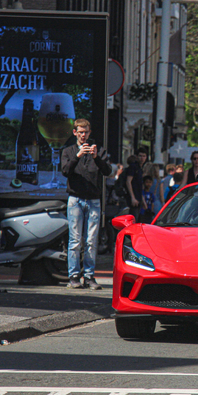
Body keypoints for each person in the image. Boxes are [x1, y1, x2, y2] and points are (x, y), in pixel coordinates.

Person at [60, 119, 111, 290]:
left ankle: (89, 276)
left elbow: (107, 171)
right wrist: (78, 155)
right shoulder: (69, 151)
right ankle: (74, 276)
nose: (83, 135)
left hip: (93, 199)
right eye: (80, 132)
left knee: (91, 240)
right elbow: (65, 171)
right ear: (74, 132)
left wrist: (96, 157)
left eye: (86, 132)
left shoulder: (99, 151)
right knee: (75, 240)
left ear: (90, 133)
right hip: (75, 199)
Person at [125, 154, 146, 221]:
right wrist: (133, 198)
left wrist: (143, 200)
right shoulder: (133, 168)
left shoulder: (139, 169)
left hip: (137, 199)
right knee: (133, 219)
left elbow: (139, 187)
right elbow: (128, 182)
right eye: (140, 156)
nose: (142, 158)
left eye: (144, 156)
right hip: (133, 200)